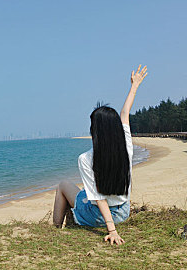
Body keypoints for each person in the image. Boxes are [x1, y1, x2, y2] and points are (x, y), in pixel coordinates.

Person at [53, 65, 148, 246]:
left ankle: (56, 228)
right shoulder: (125, 146)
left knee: (64, 185)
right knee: (83, 193)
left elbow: (99, 198)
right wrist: (134, 86)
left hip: (98, 217)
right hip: (123, 211)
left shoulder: (86, 159)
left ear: (94, 131)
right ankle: (70, 220)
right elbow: (125, 114)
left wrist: (112, 231)